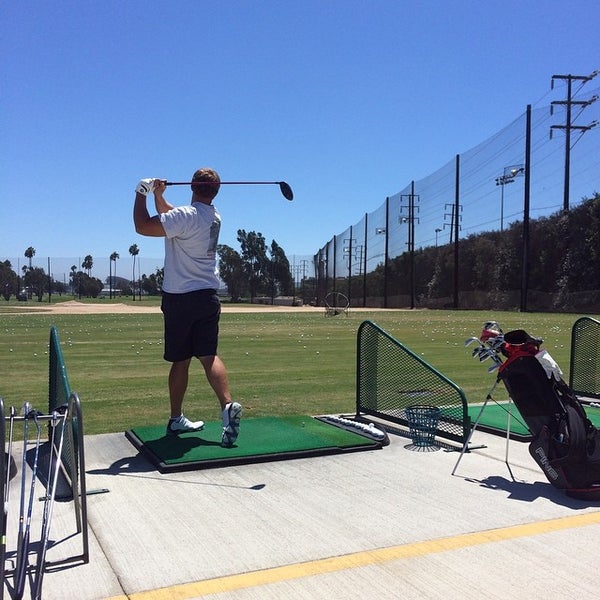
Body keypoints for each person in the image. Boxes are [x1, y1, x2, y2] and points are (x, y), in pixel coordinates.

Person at [133, 168, 242, 447]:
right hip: (207, 296)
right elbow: (174, 219)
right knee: (208, 356)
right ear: (215, 191)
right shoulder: (212, 217)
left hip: (180, 298)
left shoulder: (184, 216)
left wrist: (141, 193)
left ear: (193, 186)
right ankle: (227, 405)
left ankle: (175, 417)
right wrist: (160, 195)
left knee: (180, 360)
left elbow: (143, 226)